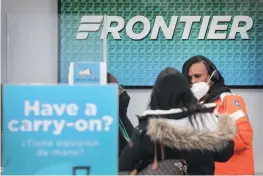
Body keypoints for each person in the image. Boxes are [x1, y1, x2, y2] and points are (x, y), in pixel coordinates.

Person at [119, 67, 235, 175]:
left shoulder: (147, 131)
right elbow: (225, 154)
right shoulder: (209, 124)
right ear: (187, 93)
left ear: (156, 96)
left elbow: (123, 166)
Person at [182, 55, 254, 175]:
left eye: (197, 76)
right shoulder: (187, 107)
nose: (193, 81)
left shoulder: (229, 100)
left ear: (213, 77)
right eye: (189, 78)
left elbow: (243, 139)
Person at [107, 73, 134, 156]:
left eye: (120, 86)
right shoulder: (107, 124)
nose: (122, 91)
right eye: (117, 88)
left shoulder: (120, 118)